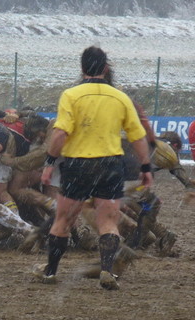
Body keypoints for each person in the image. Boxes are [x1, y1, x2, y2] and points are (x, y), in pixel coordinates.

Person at [33, 46, 153, 290]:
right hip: (110, 164)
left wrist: (49, 162)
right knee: (108, 221)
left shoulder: (71, 95)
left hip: (78, 164)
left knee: (64, 220)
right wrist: (146, 166)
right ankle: (107, 271)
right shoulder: (120, 97)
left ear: (82, 67)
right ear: (106, 68)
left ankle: (50, 271)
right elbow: (137, 137)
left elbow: (59, 134)